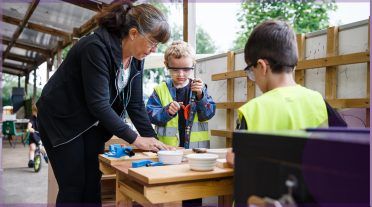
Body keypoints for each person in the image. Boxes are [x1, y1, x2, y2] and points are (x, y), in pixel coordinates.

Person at [36, 1, 172, 205]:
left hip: (90, 121)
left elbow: (134, 104)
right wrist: (135, 139)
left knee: (92, 180)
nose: (153, 50)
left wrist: (153, 142)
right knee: (73, 184)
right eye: (152, 42)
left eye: (157, 46)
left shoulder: (136, 57)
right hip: (61, 118)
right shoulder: (96, 47)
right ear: (134, 33)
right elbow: (98, 104)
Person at [226, 20, 347, 166]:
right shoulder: (319, 102)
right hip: (316, 188)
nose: (254, 79)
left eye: (252, 72)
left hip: (267, 189)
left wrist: (232, 157)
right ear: (293, 66)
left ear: (262, 66)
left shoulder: (252, 110)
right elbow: (344, 145)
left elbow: (240, 158)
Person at [146, 40, 216, 149]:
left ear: (193, 64)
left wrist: (200, 97)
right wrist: (167, 111)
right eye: (175, 69)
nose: (181, 74)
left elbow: (208, 114)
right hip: (168, 150)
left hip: (197, 151)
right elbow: (150, 116)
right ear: (166, 65)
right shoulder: (159, 90)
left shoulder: (200, 88)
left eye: (186, 69)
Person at [26, 104, 48, 168]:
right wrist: (30, 128)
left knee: (43, 149)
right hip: (33, 136)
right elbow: (29, 125)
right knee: (32, 148)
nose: (35, 113)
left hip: (41, 137)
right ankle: (31, 161)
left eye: (37, 112)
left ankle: (45, 155)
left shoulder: (43, 118)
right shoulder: (32, 118)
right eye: (34, 112)